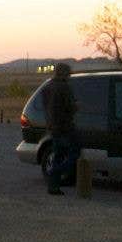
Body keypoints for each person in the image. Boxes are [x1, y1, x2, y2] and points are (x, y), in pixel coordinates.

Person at [43, 60, 79, 195]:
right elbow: (71, 107)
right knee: (74, 153)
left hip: (53, 127)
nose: (69, 76)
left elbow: (46, 107)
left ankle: (53, 186)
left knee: (58, 155)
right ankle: (55, 174)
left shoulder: (48, 87)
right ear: (64, 73)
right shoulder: (64, 87)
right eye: (68, 73)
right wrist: (77, 106)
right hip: (65, 127)